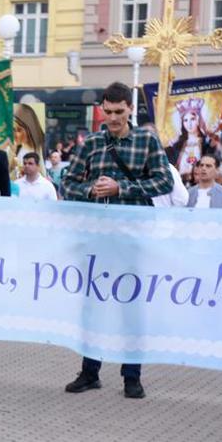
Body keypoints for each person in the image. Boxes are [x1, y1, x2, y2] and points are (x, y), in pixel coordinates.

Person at [60, 82, 170, 399]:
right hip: (96, 238)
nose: (113, 118)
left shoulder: (146, 139)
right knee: (93, 305)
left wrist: (120, 188)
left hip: (133, 238)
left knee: (130, 308)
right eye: (107, 112)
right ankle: (90, 371)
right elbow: (68, 184)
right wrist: (91, 190)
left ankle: (132, 376)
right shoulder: (92, 142)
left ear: (130, 109)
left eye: (119, 112)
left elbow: (163, 181)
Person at [164, 96, 218, 178]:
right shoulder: (178, 144)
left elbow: (210, 161)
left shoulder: (206, 143)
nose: (189, 124)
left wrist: (211, 147)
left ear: (198, 120)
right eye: (185, 120)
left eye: (192, 119)